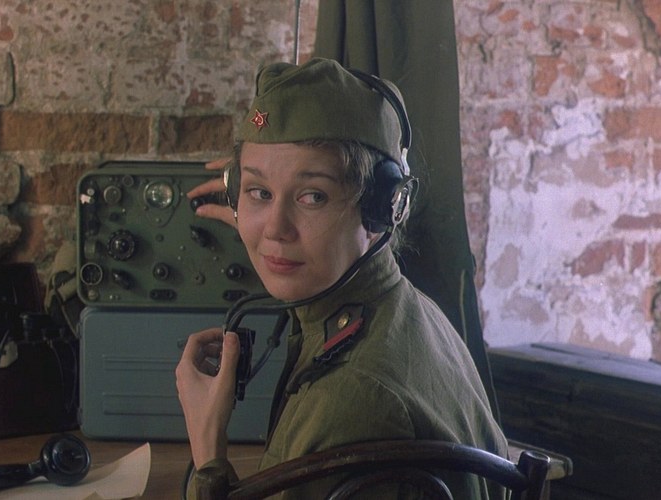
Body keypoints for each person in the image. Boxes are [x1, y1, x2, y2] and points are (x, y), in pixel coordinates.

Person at [175, 58, 507, 499]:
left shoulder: (354, 397)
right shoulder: (409, 311)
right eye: (259, 193)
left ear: (382, 209)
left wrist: (208, 452)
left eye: (313, 196)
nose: (275, 228)